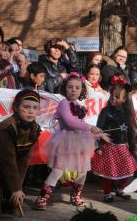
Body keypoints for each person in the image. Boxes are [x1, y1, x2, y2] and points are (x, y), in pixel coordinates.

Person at [34, 74, 109, 209]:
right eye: (70, 87)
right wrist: (90, 127)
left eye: (77, 87)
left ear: (81, 90)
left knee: (82, 171)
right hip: (65, 141)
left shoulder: (79, 104)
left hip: (79, 141)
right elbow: (70, 122)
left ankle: (76, 196)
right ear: (65, 89)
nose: (73, 90)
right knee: (57, 170)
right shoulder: (63, 103)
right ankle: (42, 197)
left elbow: (80, 123)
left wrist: (97, 134)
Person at [91, 82, 137, 202]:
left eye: (117, 97)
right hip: (108, 146)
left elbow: (130, 132)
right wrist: (99, 146)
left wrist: (133, 147)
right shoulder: (105, 111)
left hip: (122, 147)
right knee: (108, 173)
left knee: (129, 169)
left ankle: (120, 189)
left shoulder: (128, 114)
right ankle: (107, 193)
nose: (113, 98)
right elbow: (98, 129)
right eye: (112, 95)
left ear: (124, 99)